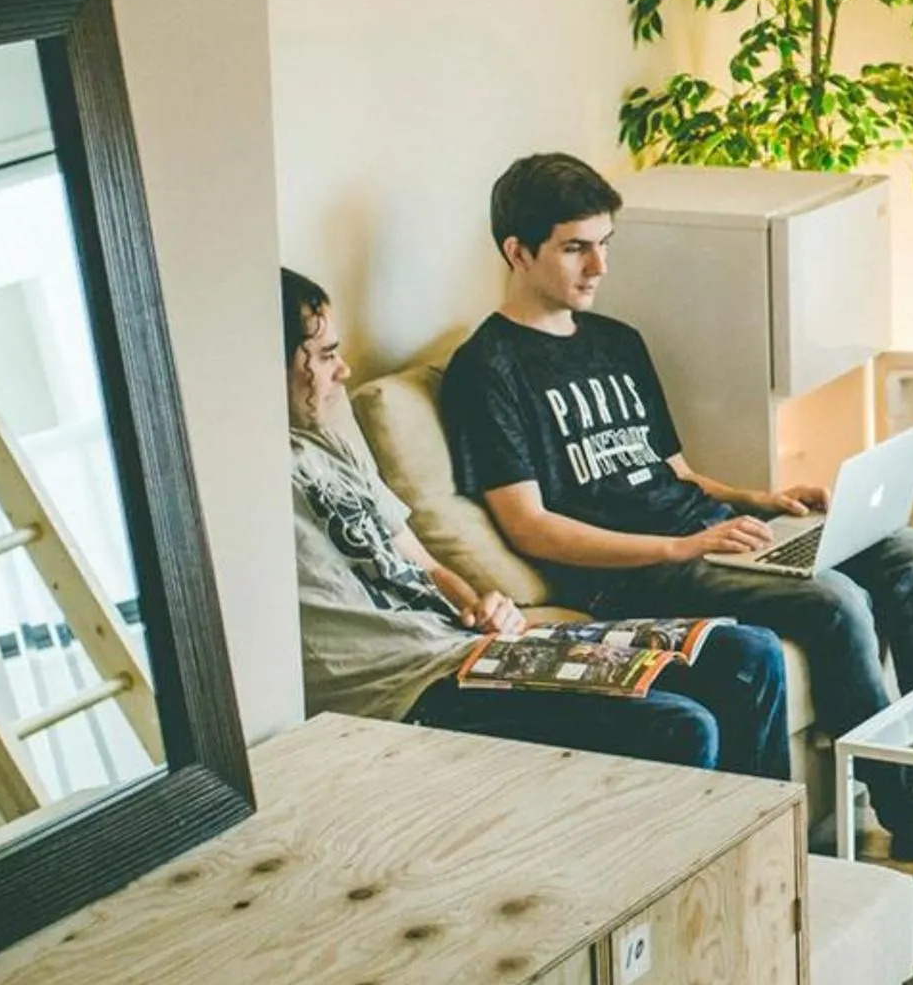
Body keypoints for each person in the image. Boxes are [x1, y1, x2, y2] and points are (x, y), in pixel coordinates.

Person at [435, 156, 913, 856]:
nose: (598, 266)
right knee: (833, 598)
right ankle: (908, 808)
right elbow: (530, 527)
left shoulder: (617, 341)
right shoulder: (488, 369)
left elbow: (676, 473)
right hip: (634, 572)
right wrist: (680, 548)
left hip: (710, 536)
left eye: (605, 244)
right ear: (517, 251)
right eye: (575, 247)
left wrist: (762, 500)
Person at [284, 269, 787, 781]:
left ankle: (771, 858)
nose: (343, 370)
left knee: (749, 655)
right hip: (409, 687)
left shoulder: (330, 442)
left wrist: (478, 602)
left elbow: (423, 561)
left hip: (469, 645)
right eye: (323, 356)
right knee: (682, 726)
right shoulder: (242, 489)